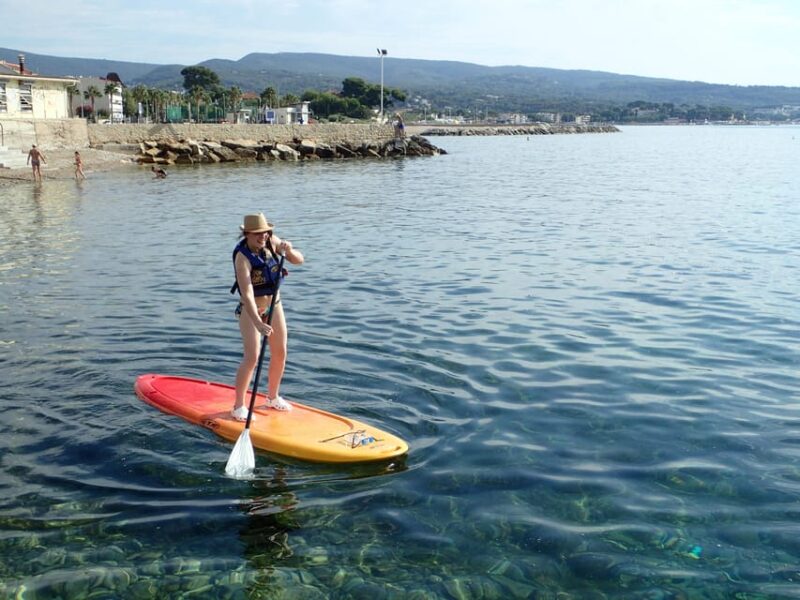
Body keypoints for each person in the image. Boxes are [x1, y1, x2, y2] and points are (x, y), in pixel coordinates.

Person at [231, 213, 304, 421]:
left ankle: (272, 397)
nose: (262, 236)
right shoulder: (242, 257)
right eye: (257, 234)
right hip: (251, 309)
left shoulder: (272, 242)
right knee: (252, 357)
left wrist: (289, 250)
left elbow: (299, 261)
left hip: (275, 305)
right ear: (247, 234)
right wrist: (258, 323)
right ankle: (238, 407)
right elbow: (247, 294)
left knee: (280, 352)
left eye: (265, 232)